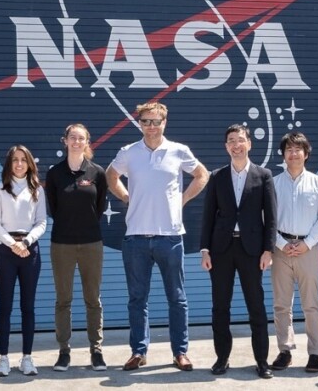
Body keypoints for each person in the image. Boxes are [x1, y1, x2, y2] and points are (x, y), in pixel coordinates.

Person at [106, 102, 209, 372]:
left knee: (177, 298)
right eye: (145, 122)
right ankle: (138, 352)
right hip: (136, 238)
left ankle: (180, 352)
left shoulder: (178, 150)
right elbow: (111, 175)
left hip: (170, 236)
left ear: (165, 122)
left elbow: (202, 175)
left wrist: (182, 200)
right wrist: (126, 196)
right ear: (139, 123)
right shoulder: (128, 152)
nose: (151, 127)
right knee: (137, 298)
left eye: (156, 121)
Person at [200, 124, 277, 379]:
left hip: (251, 250)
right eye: (231, 140)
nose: (236, 145)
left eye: (240, 140)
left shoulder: (263, 175)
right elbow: (208, 216)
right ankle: (222, 358)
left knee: (256, 306)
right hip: (221, 249)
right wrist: (205, 250)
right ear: (226, 146)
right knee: (220, 306)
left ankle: (262, 361)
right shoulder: (217, 176)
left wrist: (268, 250)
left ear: (249, 144)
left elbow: (272, 216)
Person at [45, 124, 108, 372]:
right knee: (63, 300)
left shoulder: (97, 172)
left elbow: (100, 206)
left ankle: (96, 350)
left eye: (81, 138)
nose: (76, 141)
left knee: (93, 299)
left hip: (92, 242)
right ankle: (64, 351)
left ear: (87, 142)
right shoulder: (55, 173)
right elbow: (53, 207)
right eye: (72, 137)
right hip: (62, 244)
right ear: (65, 141)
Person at [270, 132, 318, 373]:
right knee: (281, 304)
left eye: (298, 149)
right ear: (283, 154)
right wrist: (281, 244)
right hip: (280, 249)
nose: (293, 154)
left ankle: (315, 353)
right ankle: (285, 350)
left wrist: (308, 243)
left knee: (311, 304)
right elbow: (268, 218)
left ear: (306, 153)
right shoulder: (273, 183)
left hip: (308, 248)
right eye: (289, 149)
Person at [0, 145, 47, 377]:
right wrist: (11, 243)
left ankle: (27, 357)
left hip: (29, 252)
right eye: (15, 160)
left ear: (29, 163)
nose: (19, 164)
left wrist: (25, 243)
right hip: (5, 252)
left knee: (28, 307)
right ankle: (3, 358)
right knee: (5, 307)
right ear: (9, 163)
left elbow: (41, 222)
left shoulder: (37, 190)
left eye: (23, 160)